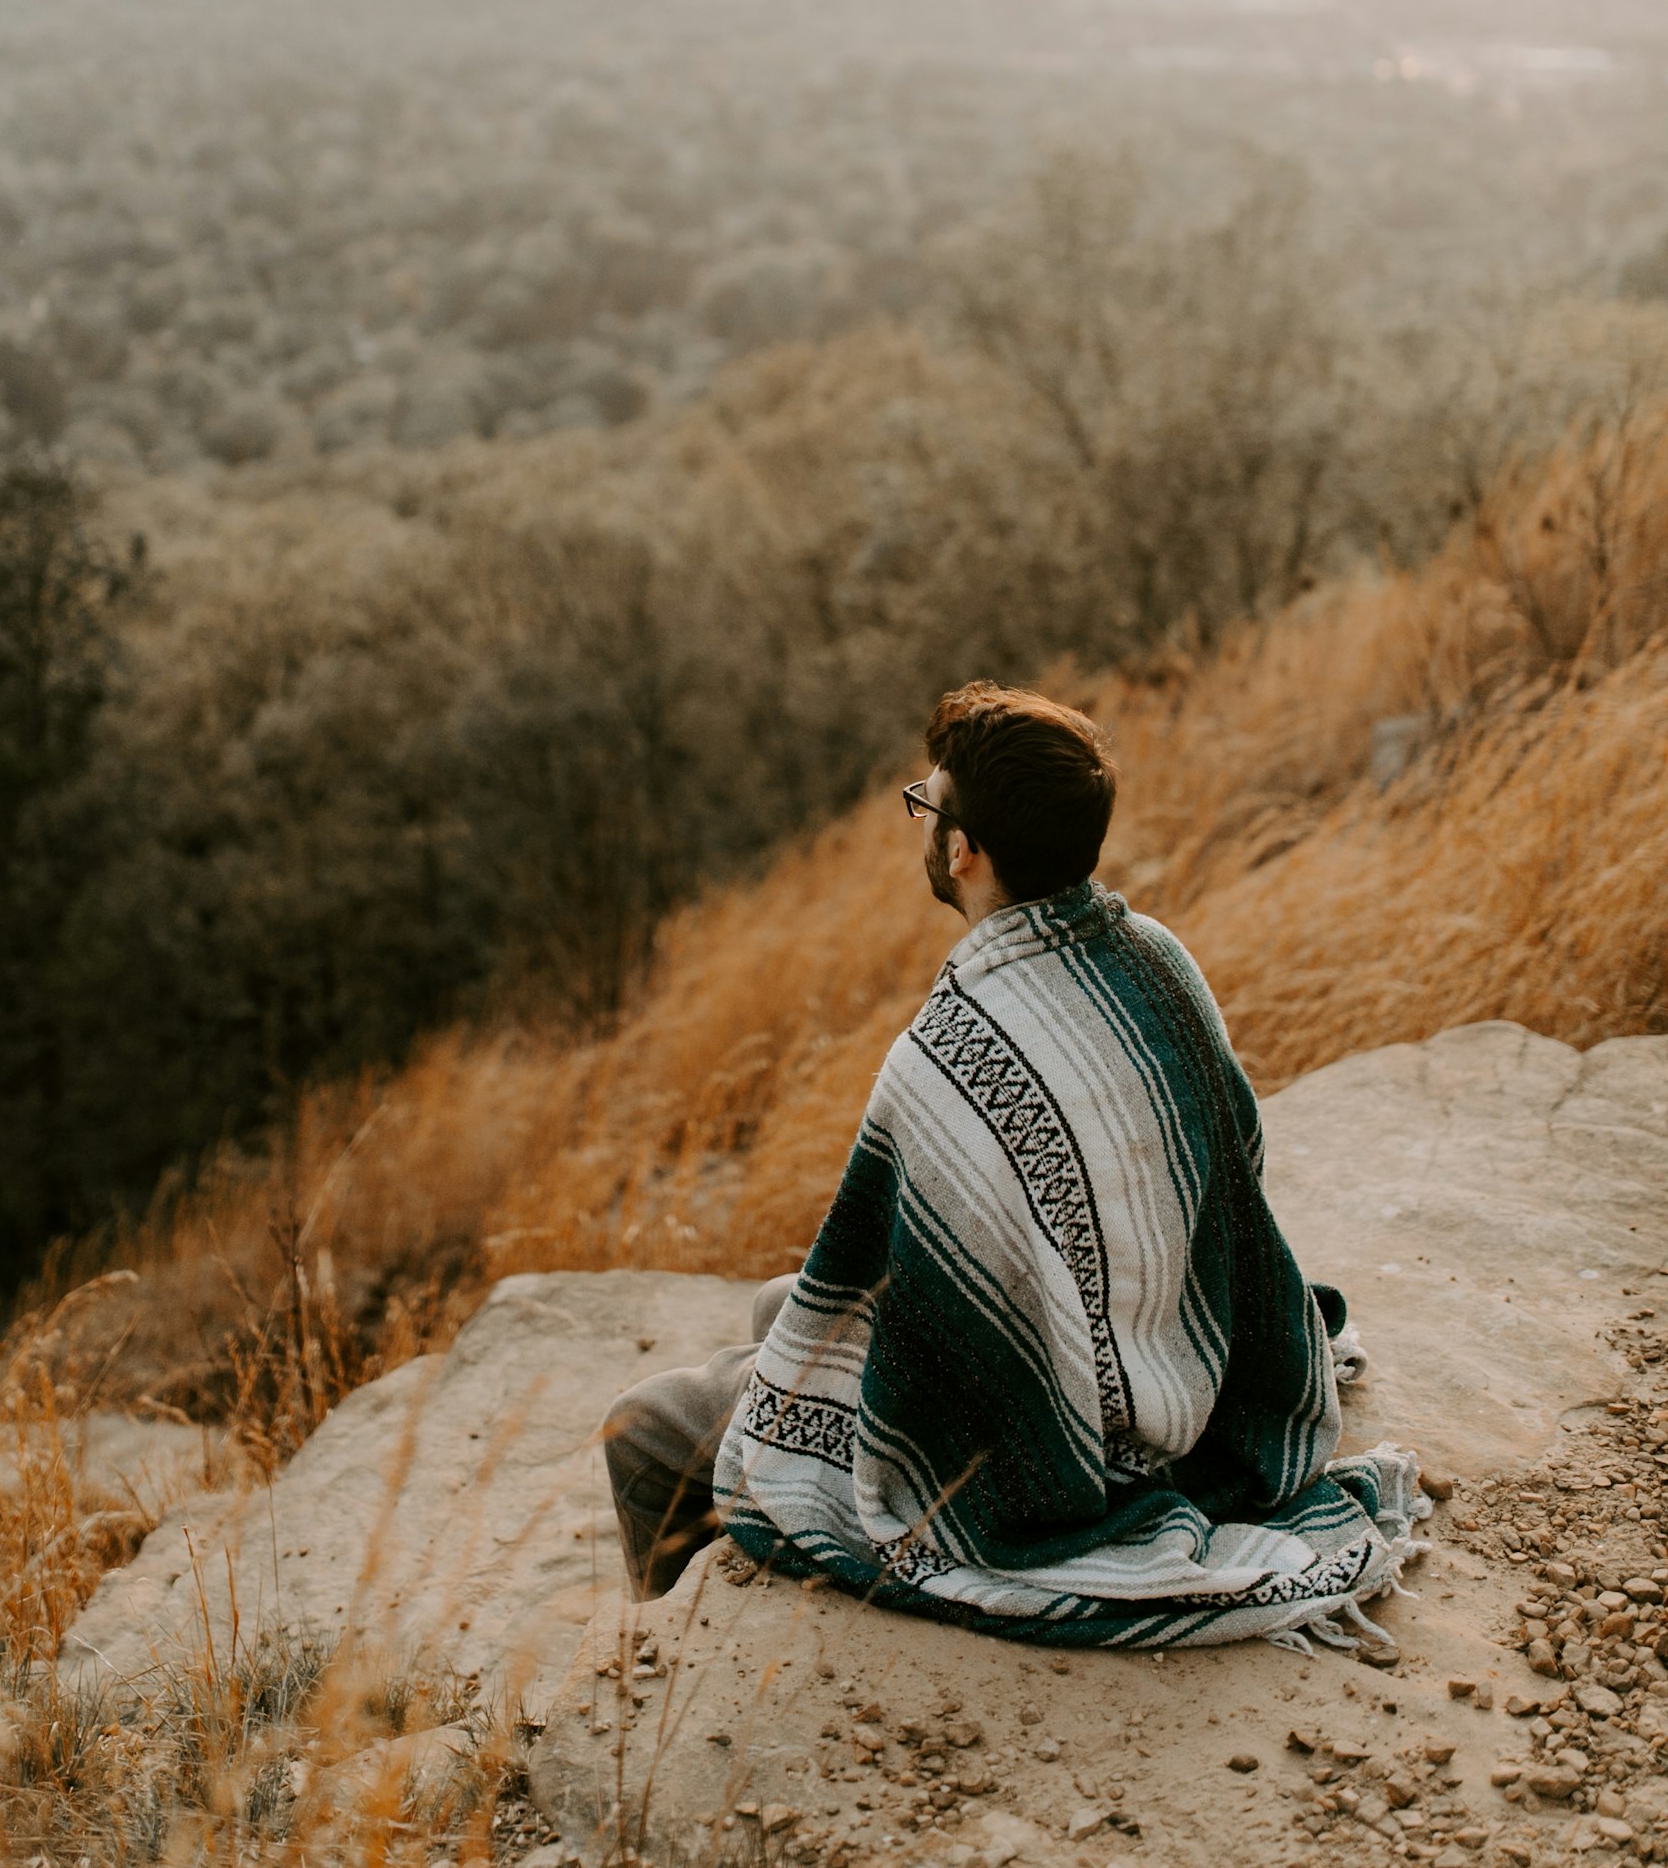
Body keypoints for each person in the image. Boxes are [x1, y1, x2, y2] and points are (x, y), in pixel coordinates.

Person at [601, 681, 1420, 1650]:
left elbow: (917, 1295)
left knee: (646, 1428)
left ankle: (670, 1663)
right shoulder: (1158, 958)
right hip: (1179, 1353)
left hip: (1068, 1439)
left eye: (927, 803)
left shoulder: (949, 1056)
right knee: (781, 1305)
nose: (923, 818)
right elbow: (1232, 1173)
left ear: (961, 850)